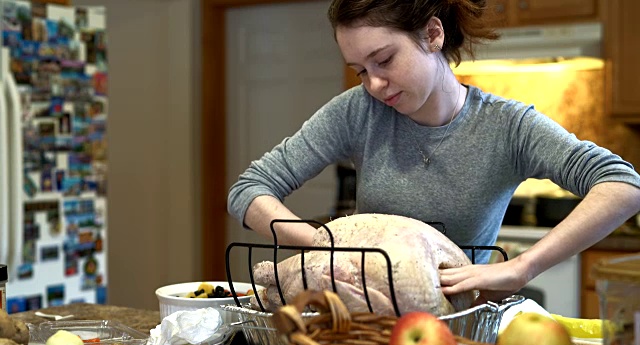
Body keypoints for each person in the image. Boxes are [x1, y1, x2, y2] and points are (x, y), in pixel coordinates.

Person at [227, 0, 640, 303]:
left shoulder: (508, 126)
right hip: (369, 331)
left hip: (462, 330)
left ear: (432, 34)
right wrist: (321, 243)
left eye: (384, 60)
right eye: (361, 71)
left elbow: (623, 185)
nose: (373, 84)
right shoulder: (357, 112)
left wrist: (522, 266)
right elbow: (249, 189)